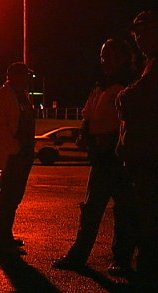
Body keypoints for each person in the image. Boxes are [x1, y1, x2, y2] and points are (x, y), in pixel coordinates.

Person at [52, 38, 136, 276]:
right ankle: (79, 255)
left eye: (110, 56)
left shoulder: (129, 84)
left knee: (123, 210)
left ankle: (121, 259)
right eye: (102, 56)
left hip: (118, 156)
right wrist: (85, 132)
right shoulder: (102, 85)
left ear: (124, 58)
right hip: (101, 156)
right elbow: (89, 113)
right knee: (92, 208)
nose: (105, 61)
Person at [116, 10, 158, 290]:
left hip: (147, 156)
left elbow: (133, 99)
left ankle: (147, 273)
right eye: (136, 34)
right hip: (140, 154)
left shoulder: (153, 67)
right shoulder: (147, 64)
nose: (140, 39)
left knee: (147, 215)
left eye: (144, 32)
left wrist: (122, 96)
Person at [0, 62, 35, 255]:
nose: (28, 80)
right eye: (25, 76)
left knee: (15, 196)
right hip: (14, 155)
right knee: (9, 196)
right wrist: (14, 149)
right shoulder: (3, 96)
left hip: (24, 153)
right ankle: (3, 239)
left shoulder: (22, 96)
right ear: (14, 76)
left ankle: (7, 236)